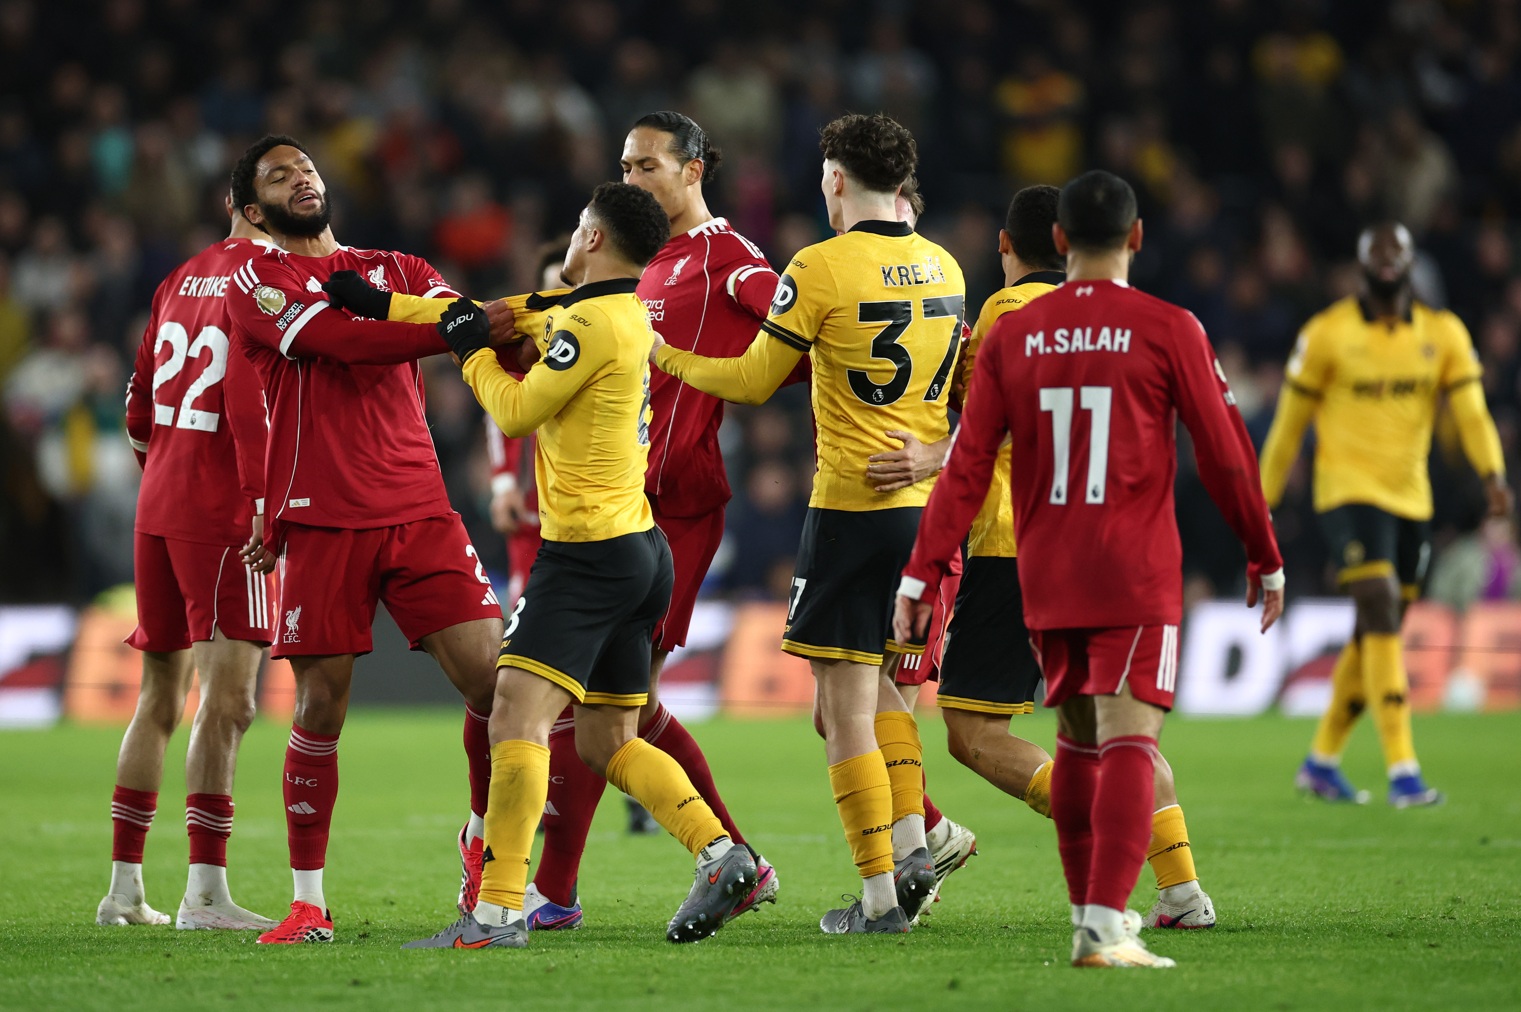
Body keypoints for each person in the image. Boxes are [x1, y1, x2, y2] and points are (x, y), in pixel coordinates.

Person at [894, 170, 1284, 968]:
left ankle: (1092, 917)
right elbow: (1223, 453)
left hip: (1042, 567)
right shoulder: (1168, 326)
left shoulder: (1010, 333)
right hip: (1133, 569)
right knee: (1129, 741)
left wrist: (918, 573)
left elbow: (965, 464)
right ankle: (1109, 926)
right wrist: (1263, 553)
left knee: (1075, 744)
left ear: (1059, 242)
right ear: (1137, 238)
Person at [405, 182, 757, 950]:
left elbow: (517, 411)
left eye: (575, 226)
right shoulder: (625, 313)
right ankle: (720, 851)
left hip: (587, 554)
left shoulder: (590, 321)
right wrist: (394, 303)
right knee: (604, 739)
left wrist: (469, 355)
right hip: (640, 550)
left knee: (514, 717)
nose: (567, 237)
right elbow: (520, 309)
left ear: (593, 239)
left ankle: (496, 913)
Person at [652, 113, 965, 933]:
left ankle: (877, 901)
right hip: (923, 518)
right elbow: (974, 388)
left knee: (841, 706)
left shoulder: (818, 266)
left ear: (834, 179)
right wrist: (937, 452)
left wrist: (664, 354)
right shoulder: (944, 265)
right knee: (888, 691)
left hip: (847, 512)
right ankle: (914, 845)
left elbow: (755, 380)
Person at [222, 135, 504, 944]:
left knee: (493, 688)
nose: (301, 179)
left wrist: (471, 324)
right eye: (279, 176)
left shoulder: (403, 267)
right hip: (319, 515)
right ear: (251, 210)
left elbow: (454, 314)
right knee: (320, 707)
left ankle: (482, 845)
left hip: (420, 507)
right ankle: (308, 900)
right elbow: (345, 341)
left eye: (306, 168)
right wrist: (457, 330)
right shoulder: (260, 279)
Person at [937, 183, 1219, 930]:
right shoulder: (1121, 322)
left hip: (1008, 541)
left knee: (971, 731)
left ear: (1008, 247)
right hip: (1108, 548)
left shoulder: (1004, 314)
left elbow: (969, 431)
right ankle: (1181, 885)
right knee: (1118, 727)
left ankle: (1107, 841)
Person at [1259, 222, 1509, 807]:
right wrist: (1260, 504)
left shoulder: (1443, 333)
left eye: (1397, 252)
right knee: (1379, 609)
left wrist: (1493, 473)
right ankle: (1403, 772)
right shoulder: (1326, 334)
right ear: (1362, 262)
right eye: (1377, 253)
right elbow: (1287, 429)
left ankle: (1320, 762)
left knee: (1375, 629)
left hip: (1410, 499)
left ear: (1411, 260)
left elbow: (1472, 414)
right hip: (1346, 493)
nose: (1388, 262)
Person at [98, 195, 277, 932]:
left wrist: (164, 475)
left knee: (161, 696)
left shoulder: (179, 279)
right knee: (230, 700)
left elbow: (137, 407)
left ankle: (124, 891)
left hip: (160, 504)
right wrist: (263, 503)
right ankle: (205, 894)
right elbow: (252, 408)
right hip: (223, 513)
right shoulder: (271, 282)